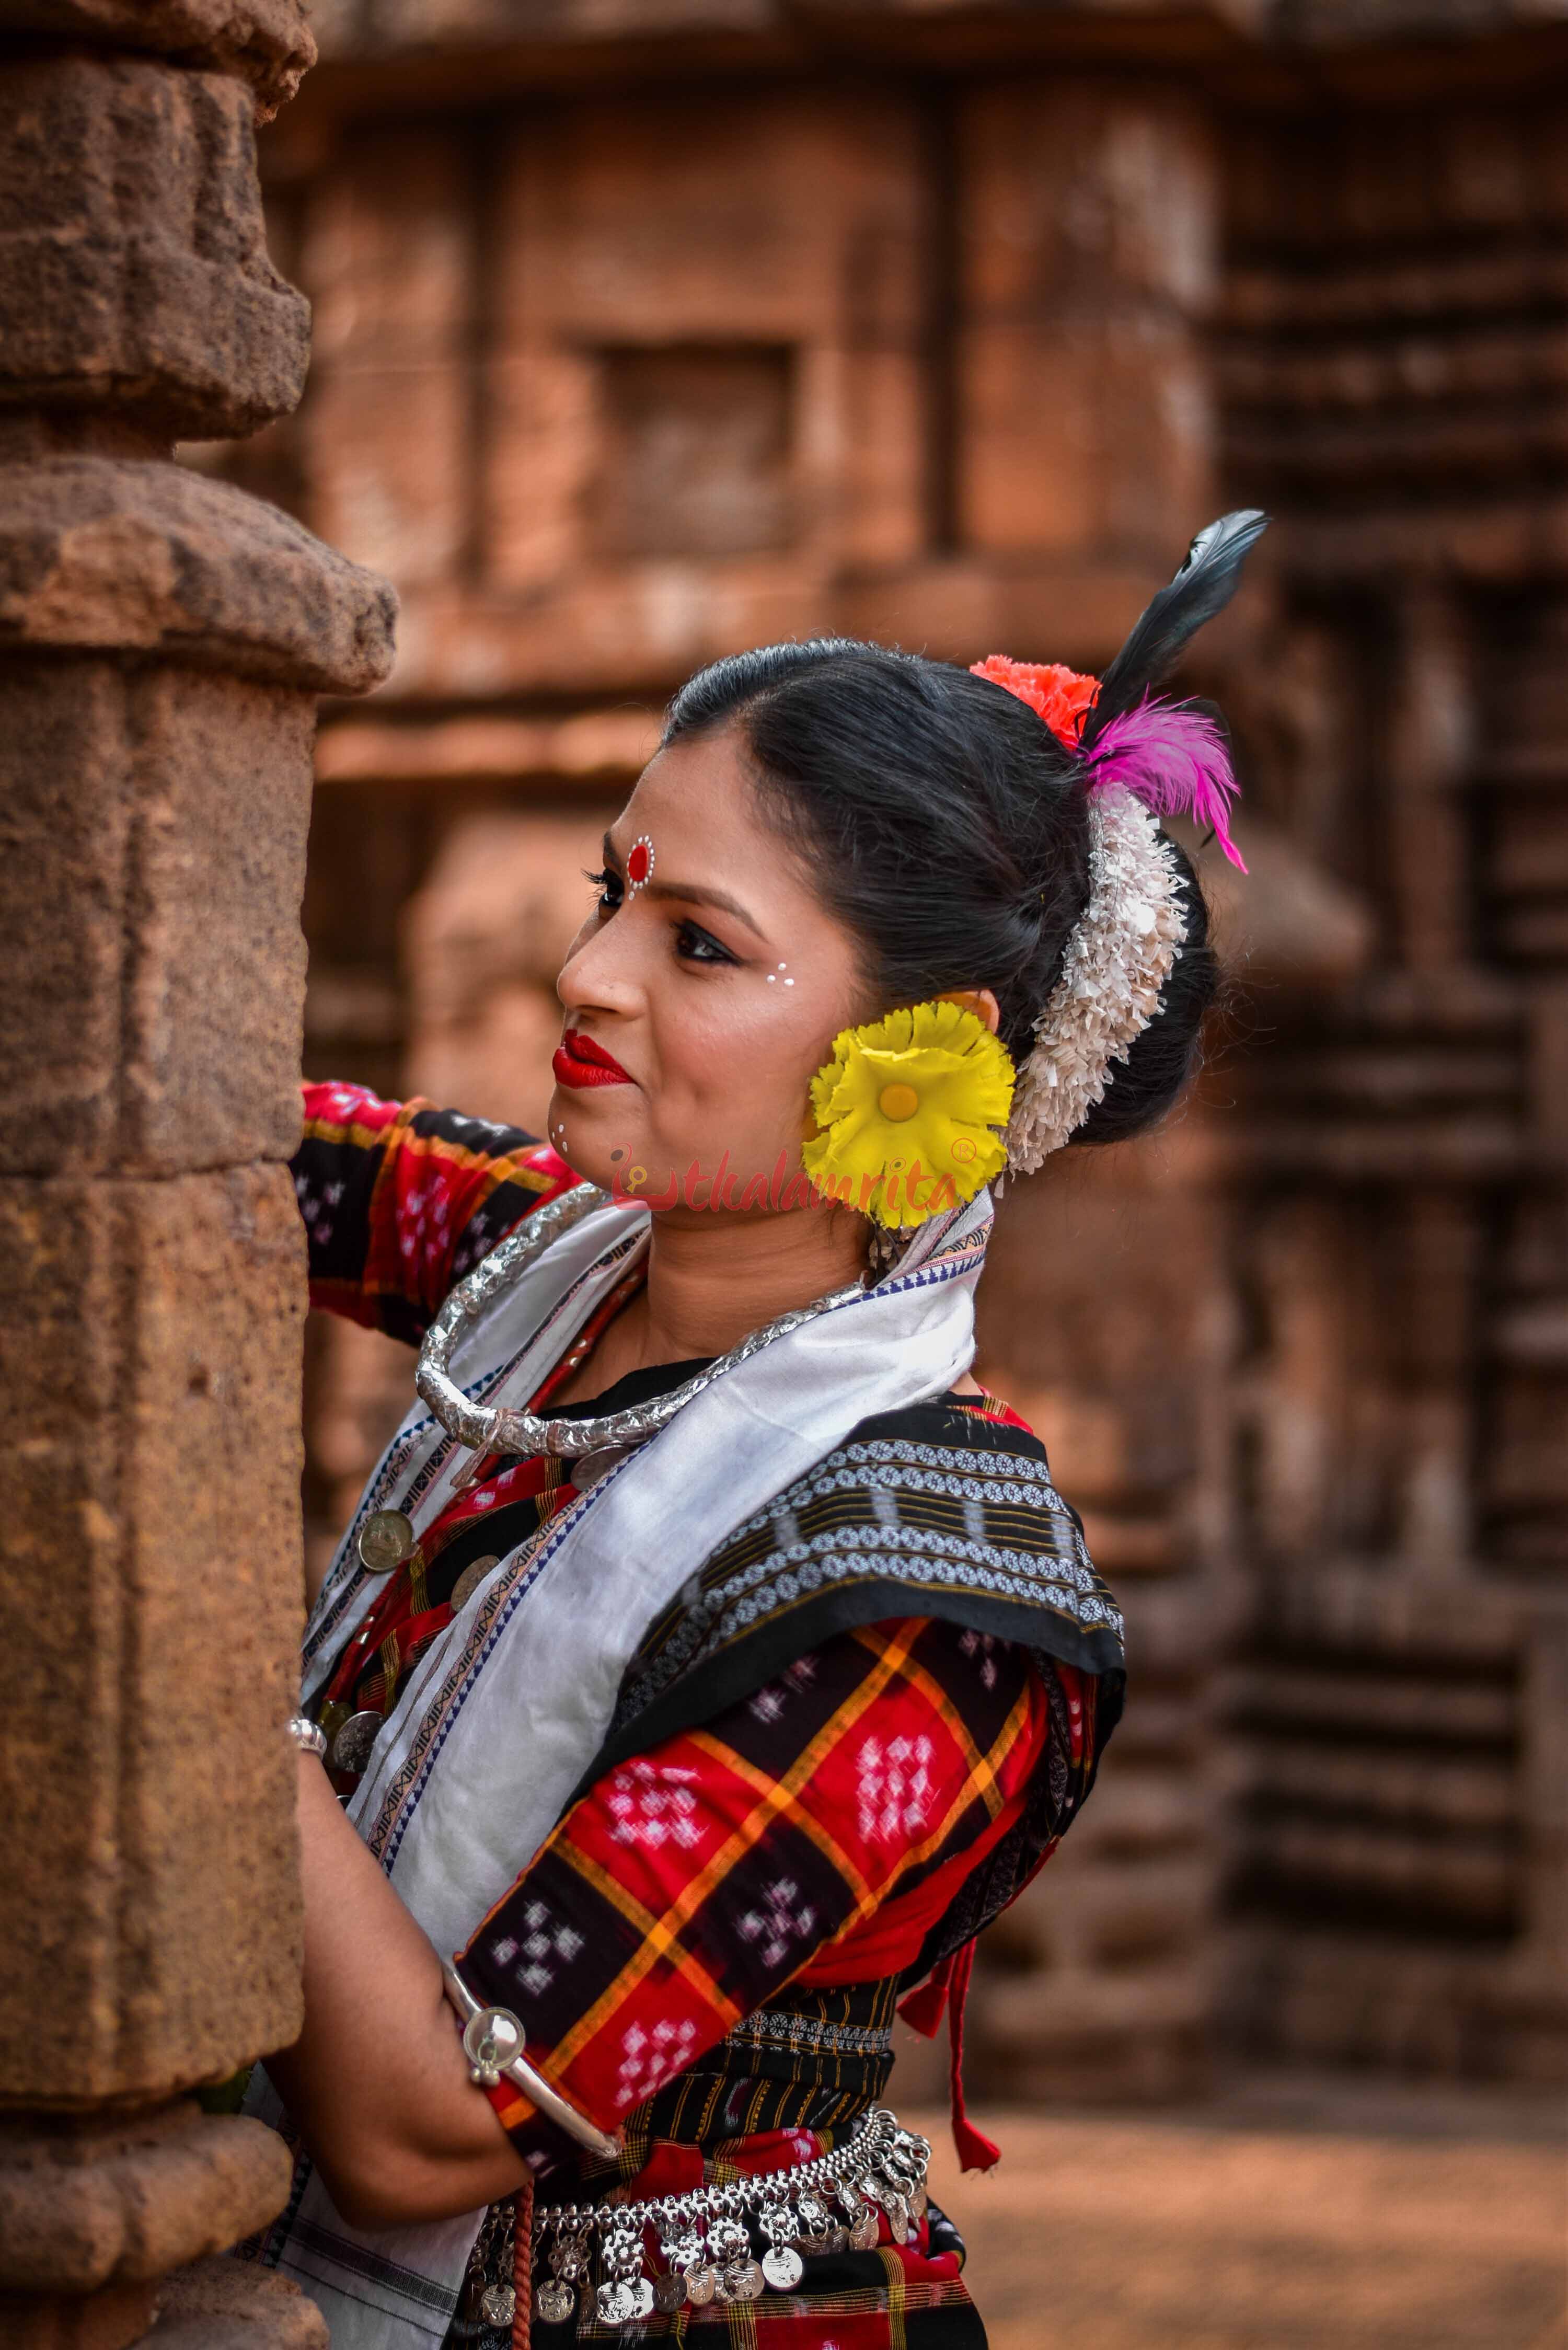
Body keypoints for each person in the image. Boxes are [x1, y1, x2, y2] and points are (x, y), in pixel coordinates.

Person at [238, 512, 1266, 2349]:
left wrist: (193, 1662)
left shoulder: (917, 1609)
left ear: (921, 1057)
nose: (590, 975)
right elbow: (221, 1154)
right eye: (609, 892)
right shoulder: (546, 1259)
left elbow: (419, 2134)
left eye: (699, 944)